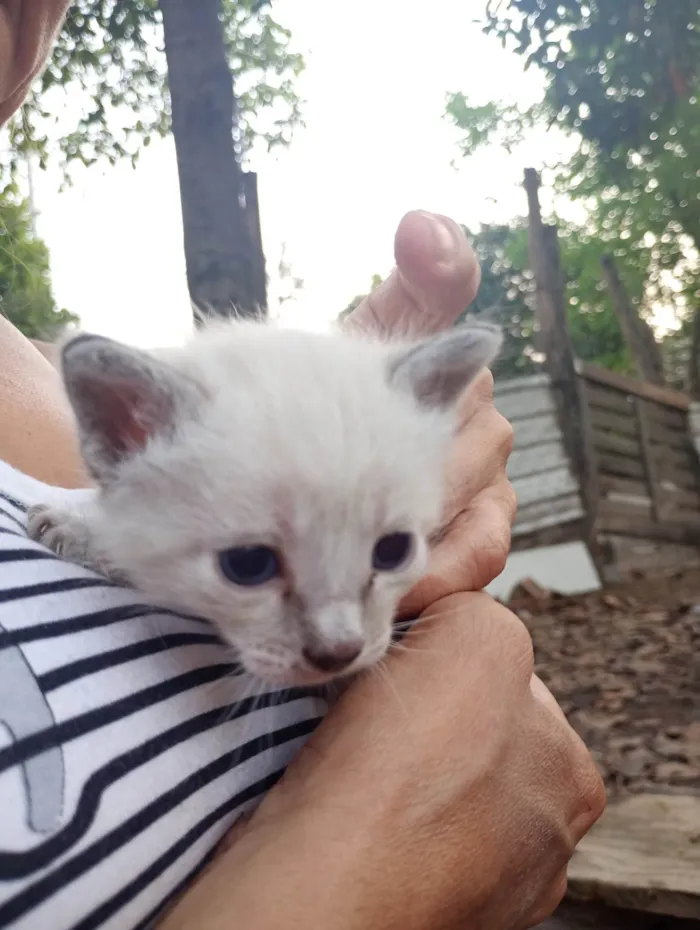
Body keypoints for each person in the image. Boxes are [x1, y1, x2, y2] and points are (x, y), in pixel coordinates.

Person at [0, 4, 605, 929]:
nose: (337, 640)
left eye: (386, 551)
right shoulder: (139, 441)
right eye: (250, 565)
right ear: (124, 432)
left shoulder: (51, 394)